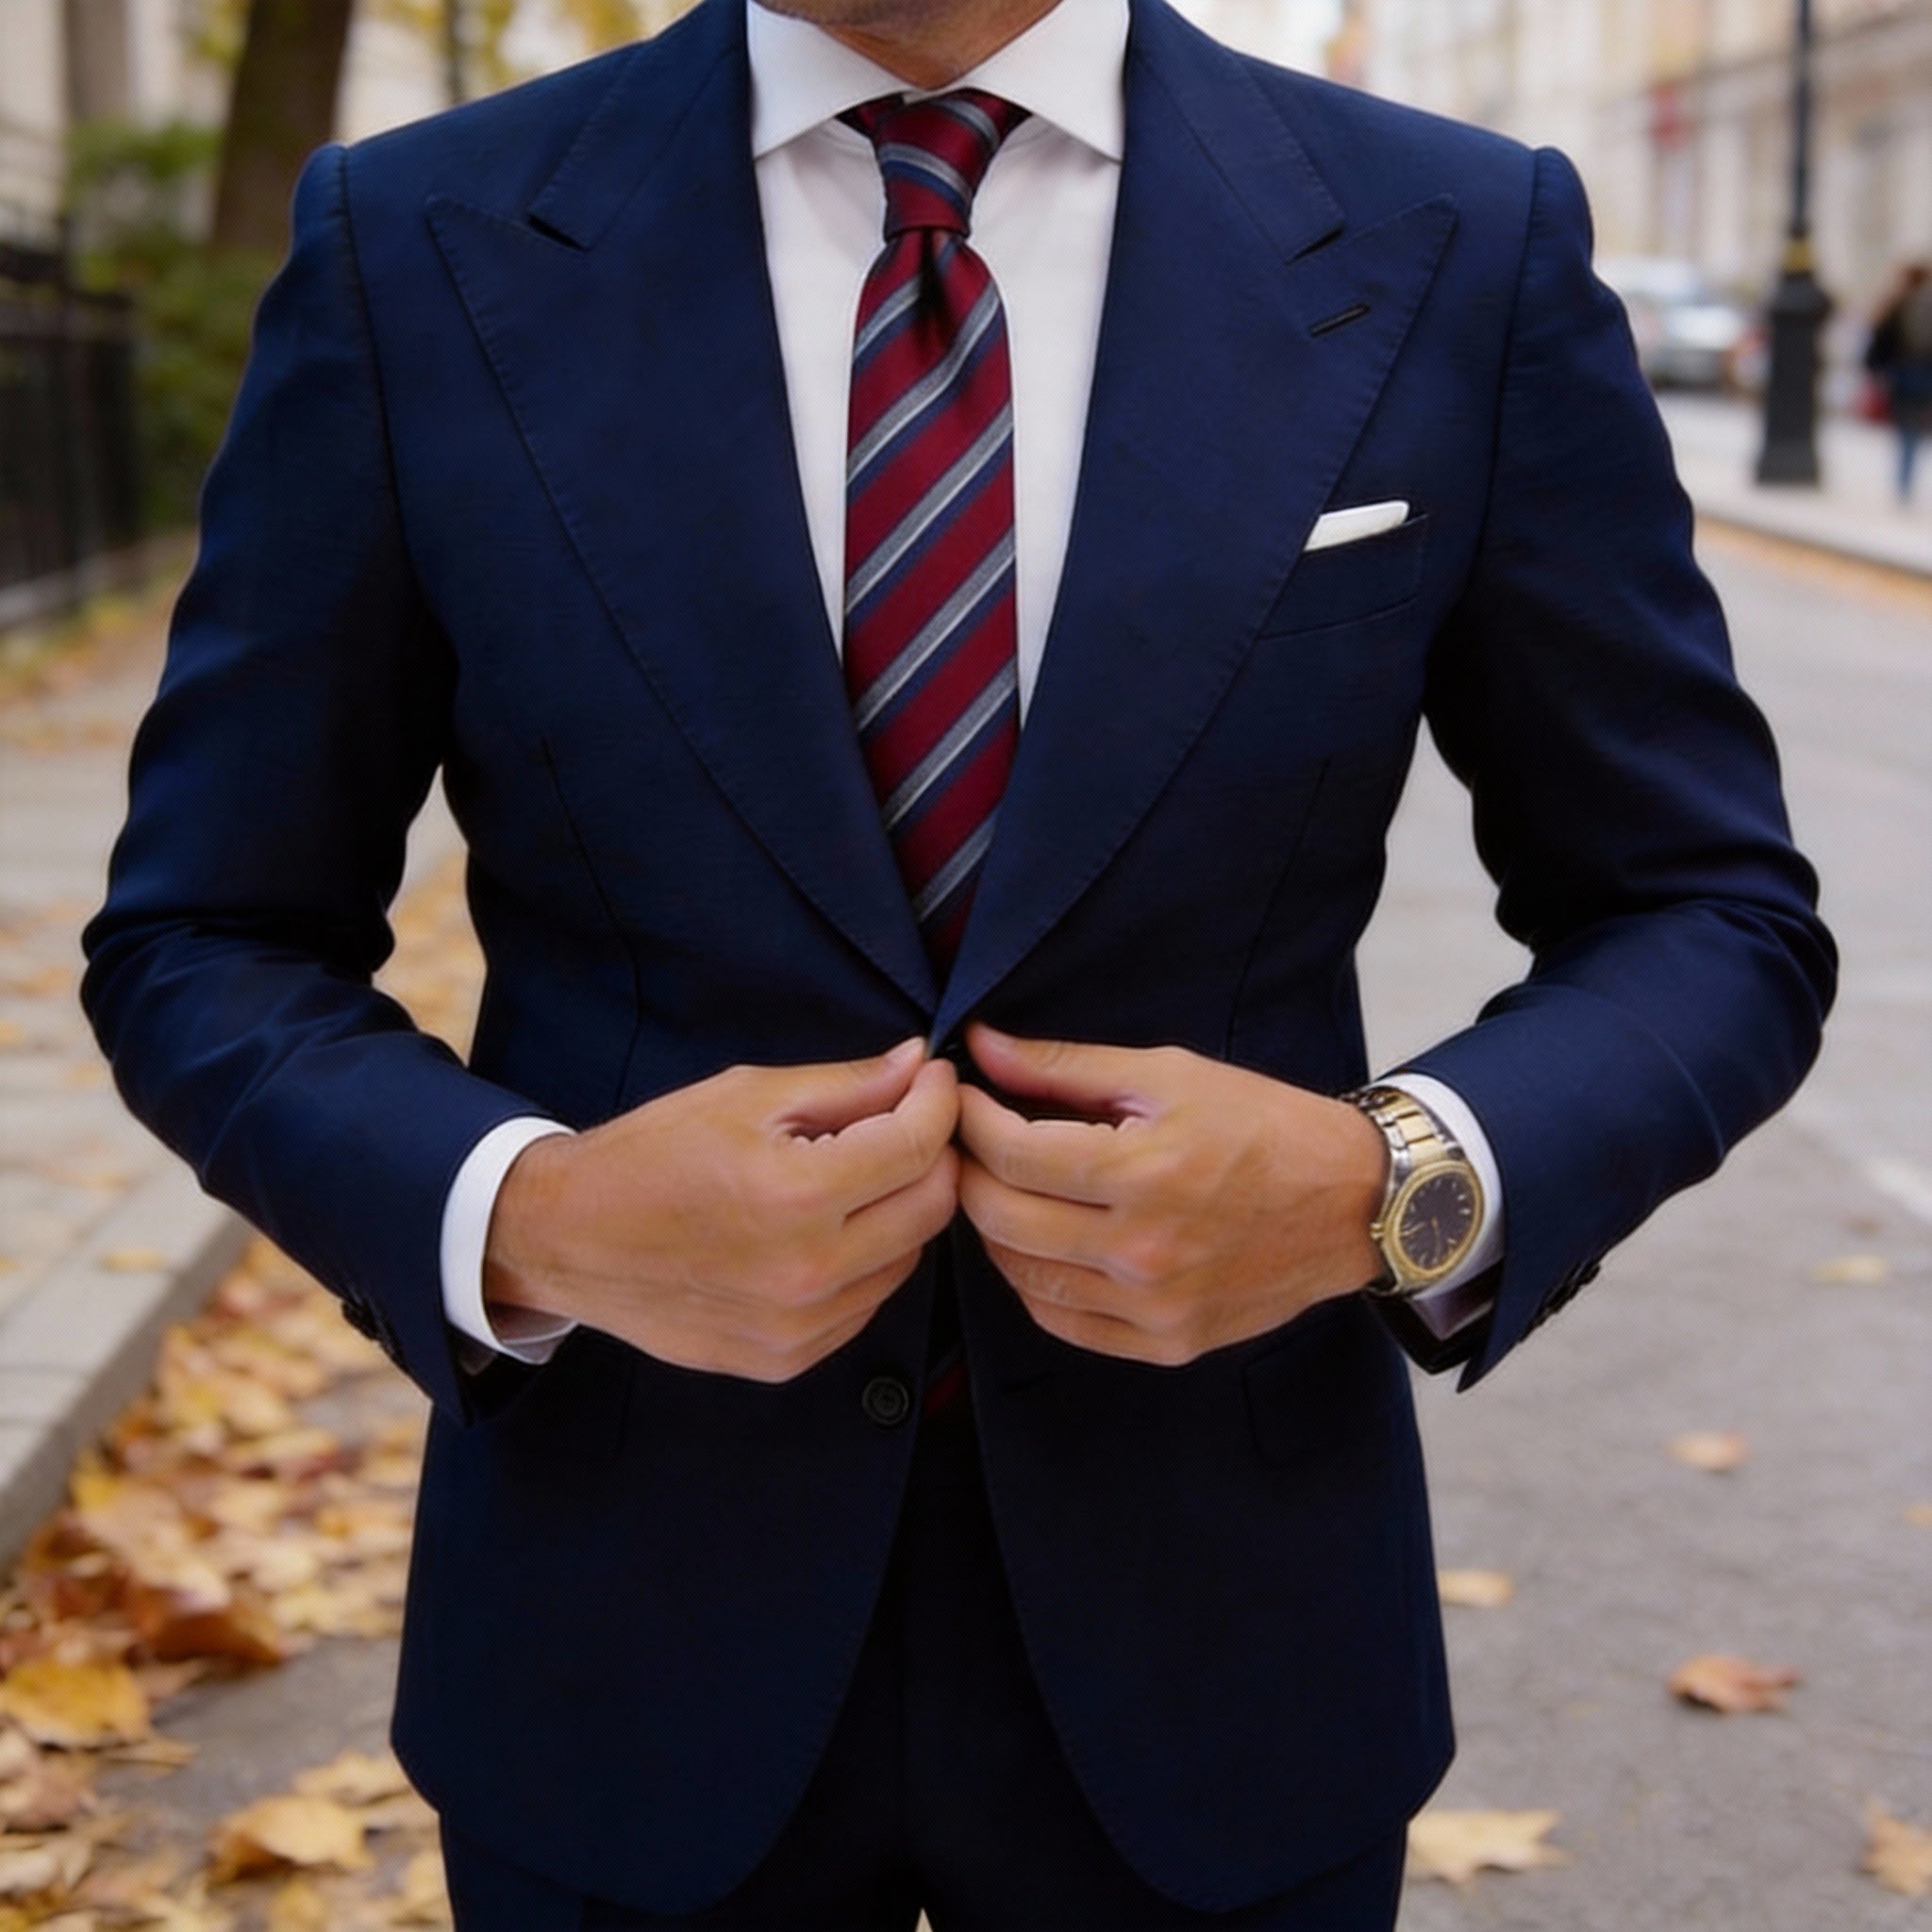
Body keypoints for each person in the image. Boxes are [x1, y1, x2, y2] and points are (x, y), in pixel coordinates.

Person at [80, 0, 1834, 1924]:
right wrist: (534, 1215)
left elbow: (1704, 911)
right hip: (621, 1648)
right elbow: (206, 933)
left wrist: (1382, 1182)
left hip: (1225, 1643)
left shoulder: (1455, 239)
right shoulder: (416, 239)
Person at [1866, 261, 1932, 505]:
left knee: (1906, 428)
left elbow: (1880, 339)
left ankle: (1904, 479)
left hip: (1902, 374)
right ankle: (1906, 477)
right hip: (1924, 375)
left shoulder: (1898, 303)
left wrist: (1875, 369)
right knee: (1915, 426)